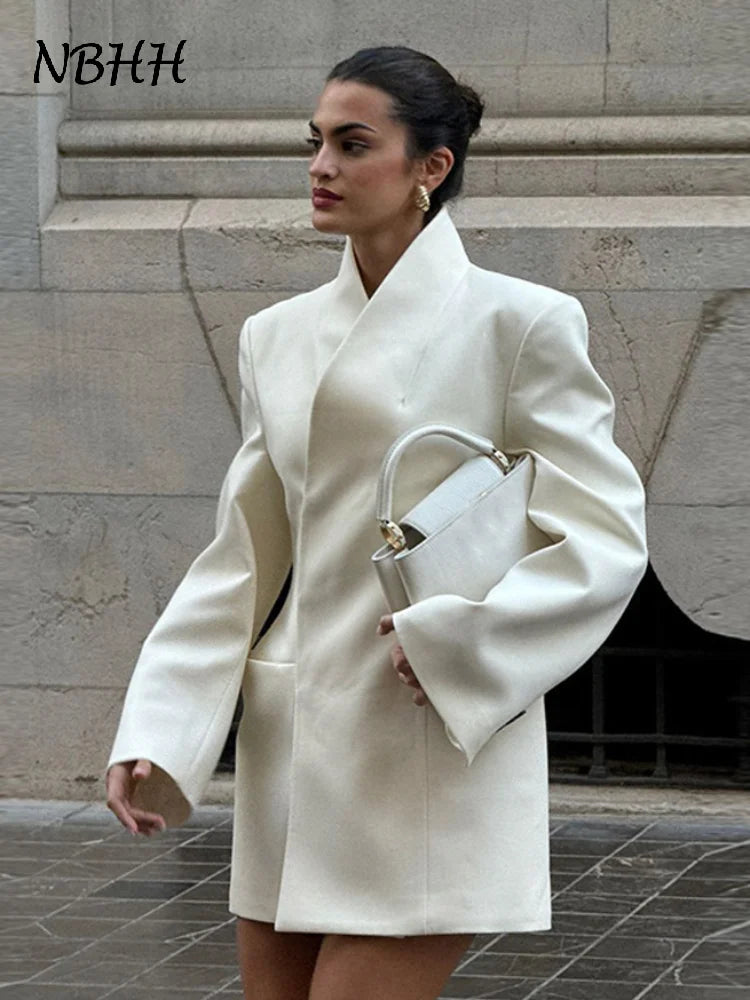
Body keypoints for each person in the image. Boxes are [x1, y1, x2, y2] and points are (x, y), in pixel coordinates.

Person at [105, 45, 648, 1000]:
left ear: (430, 168)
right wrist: (163, 723)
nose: (321, 166)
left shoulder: (520, 323)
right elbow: (244, 555)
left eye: (354, 144)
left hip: (425, 738)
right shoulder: (274, 335)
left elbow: (604, 535)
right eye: (314, 143)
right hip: (296, 748)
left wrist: (466, 641)